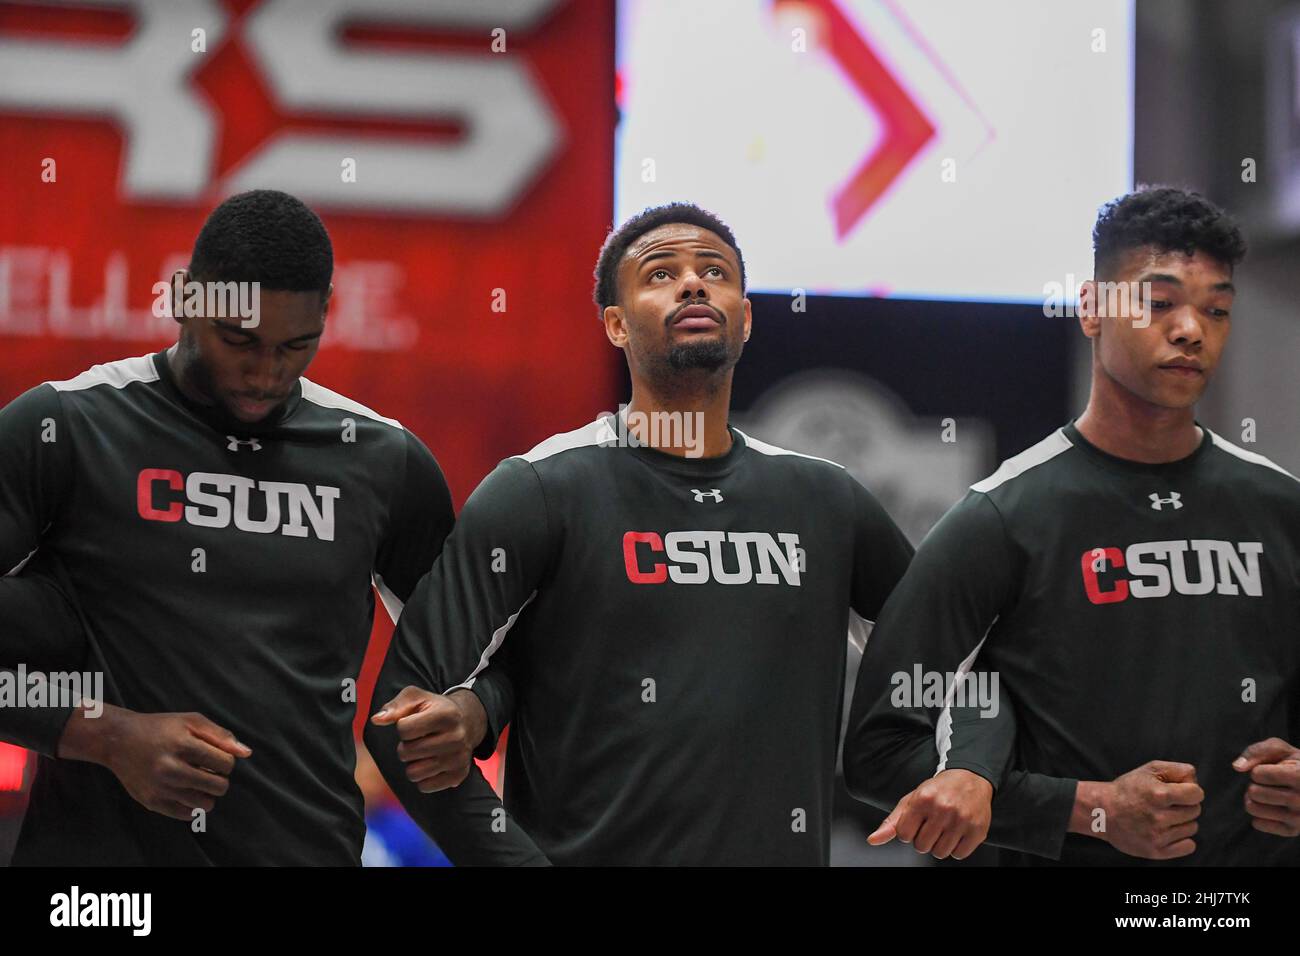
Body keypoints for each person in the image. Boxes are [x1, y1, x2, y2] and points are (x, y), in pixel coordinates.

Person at [364, 202, 999, 865]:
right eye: (660, 273)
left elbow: (965, 663)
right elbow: (398, 722)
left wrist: (973, 767)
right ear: (615, 324)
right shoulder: (542, 489)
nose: (693, 283)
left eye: (714, 271)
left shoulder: (824, 500)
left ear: (746, 318)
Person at [0, 189, 541, 865]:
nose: (266, 372)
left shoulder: (381, 461)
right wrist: (104, 735)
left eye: (297, 345)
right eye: (239, 341)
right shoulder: (66, 429)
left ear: (325, 316)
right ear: (184, 298)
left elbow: (497, 659)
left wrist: (472, 712)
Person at [845, 186, 1300, 865]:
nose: (1190, 330)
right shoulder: (1000, 517)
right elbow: (880, 753)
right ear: (1091, 308)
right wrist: (1090, 809)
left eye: (1217, 309)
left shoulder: (1280, 507)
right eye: (1159, 301)